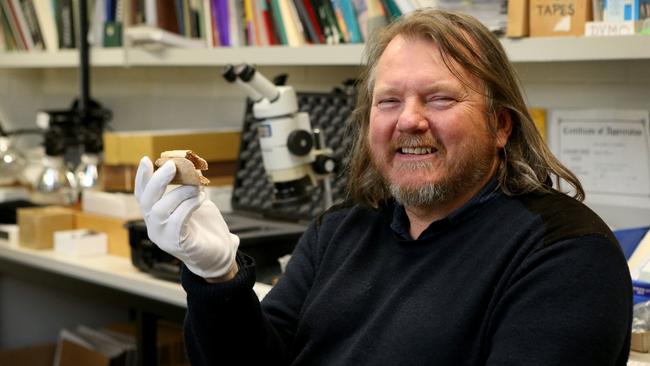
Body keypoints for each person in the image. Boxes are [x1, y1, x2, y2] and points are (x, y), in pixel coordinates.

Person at [134, 9, 632, 366]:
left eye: (439, 98)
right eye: (389, 101)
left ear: (500, 125)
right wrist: (217, 279)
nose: (409, 120)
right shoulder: (340, 230)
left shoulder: (566, 254)